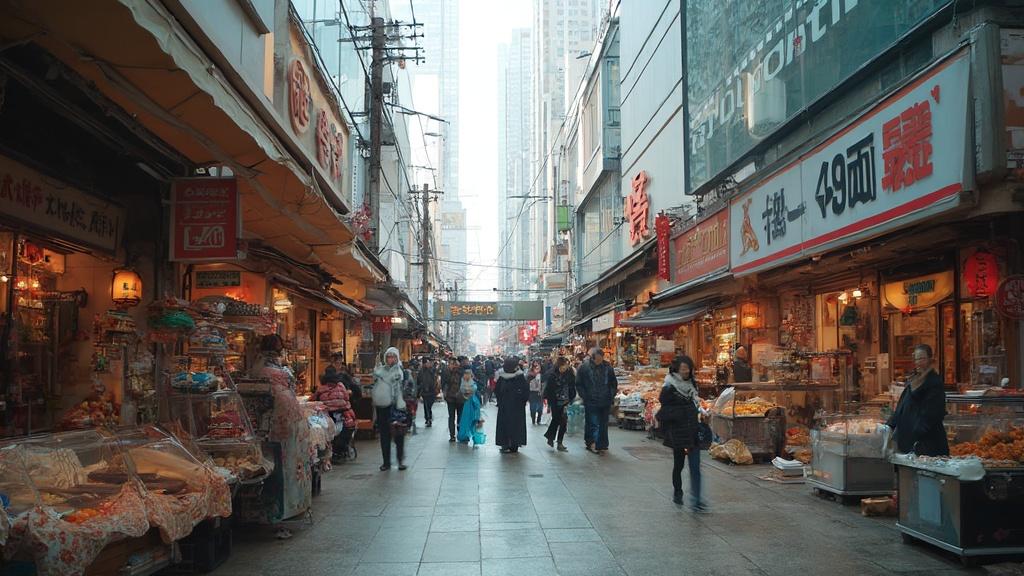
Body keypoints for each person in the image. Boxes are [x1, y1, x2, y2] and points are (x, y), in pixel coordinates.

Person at [251, 335, 311, 524]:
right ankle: (287, 508)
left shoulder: (258, 369)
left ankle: (282, 509)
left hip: (271, 423)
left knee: (279, 465)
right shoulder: (280, 371)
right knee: (285, 466)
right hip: (283, 424)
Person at [658, 356, 707, 511]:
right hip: (678, 432)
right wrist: (681, 412)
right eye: (683, 368)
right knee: (678, 465)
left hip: (692, 431)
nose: (686, 371)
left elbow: (694, 404)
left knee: (695, 467)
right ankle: (677, 492)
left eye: (688, 368)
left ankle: (696, 500)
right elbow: (663, 412)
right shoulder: (669, 388)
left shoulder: (692, 385)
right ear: (677, 368)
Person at [887, 344, 949, 456]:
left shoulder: (934, 382)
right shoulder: (913, 380)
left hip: (927, 444)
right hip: (909, 443)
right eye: (916, 359)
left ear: (930, 359)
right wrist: (889, 426)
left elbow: (932, 414)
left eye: (922, 358)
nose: (918, 362)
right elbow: (902, 406)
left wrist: (916, 435)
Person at [576, 347, 618, 454]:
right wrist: (584, 396)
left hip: (605, 400)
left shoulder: (608, 367)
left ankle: (602, 444)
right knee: (592, 422)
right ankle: (592, 443)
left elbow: (613, 383)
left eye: (601, 359)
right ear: (593, 358)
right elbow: (579, 384)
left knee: (603, 423)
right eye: (597, 359)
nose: (599, 361)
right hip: (591, 400)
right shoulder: (584, 367)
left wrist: (611, 394)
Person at [372, 347, 408, 471]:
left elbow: (405, 389)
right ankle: (386, 462)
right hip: (382, 408)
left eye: (393, 356)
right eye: (388, 356)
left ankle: (400, 461)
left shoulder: (401, 372)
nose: (390, 359)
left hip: (397, 408)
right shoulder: (380, 370)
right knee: (385, 436)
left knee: (399, 435)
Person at [316, 369, 356, 462]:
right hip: (343, 415)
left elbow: (314, 399)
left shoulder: (321, 388)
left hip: (328, 416)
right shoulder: (341, 386)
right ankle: (340, 452)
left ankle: (329, 452)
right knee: (347, 429)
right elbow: (347, 398)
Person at [494, 357, 530, 453]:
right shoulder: (519, 377)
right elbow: (526, 391)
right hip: (515, 407)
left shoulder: (504, 377)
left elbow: (497, 391)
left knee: (506, 425)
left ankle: (508, 444)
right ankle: (512, 444)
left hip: (507, 406)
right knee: (514, 426)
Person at [543, 357, 576, 451]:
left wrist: (571, 397)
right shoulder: (552, 375)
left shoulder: (570, 374)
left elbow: (572, 387)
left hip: (565, 401)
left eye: (565, 366)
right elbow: (549, 389)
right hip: (555, 401)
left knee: (563, 422)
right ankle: (550, 436)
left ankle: (559, 442)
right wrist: (549, 401)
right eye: (563, 366)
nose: (564, 368)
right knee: (556, 419)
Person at [457, 369, 483, 443]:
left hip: (473, 402)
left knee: (473, 419)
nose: (467, 376)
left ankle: (474, 436)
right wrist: (468, 390)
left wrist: (467, 390)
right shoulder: (462, 381)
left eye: (468, 374)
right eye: (466, 374)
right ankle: (464, 436)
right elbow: (462, 390)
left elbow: (474, 389)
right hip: (465, 402)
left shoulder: (473, 381)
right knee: (465, 419)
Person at [443, 357, 465, 442]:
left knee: (459, 417)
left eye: (453, 364)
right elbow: (444, 384)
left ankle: (458, 433)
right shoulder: (447, 372)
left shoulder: (461, 372)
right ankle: (452, 435)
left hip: (459, 398)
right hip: (451, 398)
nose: (451, 365)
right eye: (451, 364)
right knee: (452, 417)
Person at [417, 358, 439, 427]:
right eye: (427, 363)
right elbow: (419, 380)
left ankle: (428, 417)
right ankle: (428, 418)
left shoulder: (432, 370)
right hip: (424, 391)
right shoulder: (421, 371)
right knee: (426, 406)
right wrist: (419, 390)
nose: (428, 364)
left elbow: (435, 378)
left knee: (429, 406)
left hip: (432, 391)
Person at [528, 361, 544, 425]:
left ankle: (538, 419)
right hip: (532, 393)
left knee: (540, 407)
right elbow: (527, 384)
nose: (537, 369)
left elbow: (543, 384)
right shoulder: (530, 376)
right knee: (533, 407)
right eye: (536, 368)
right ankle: (533, 419)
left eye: (538, 367)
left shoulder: (541, 375)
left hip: (539, 393)